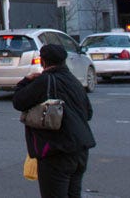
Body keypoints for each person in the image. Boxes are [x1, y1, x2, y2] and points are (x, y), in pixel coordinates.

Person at [12, 44, 96, 198]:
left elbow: (18, 101)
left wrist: (25, 81)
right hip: (80, 149)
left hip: (56, 151)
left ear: (43, 62)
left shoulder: (45, 81)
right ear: (63, 60)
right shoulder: (74, 81)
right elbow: (88, 113)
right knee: (73, 194)